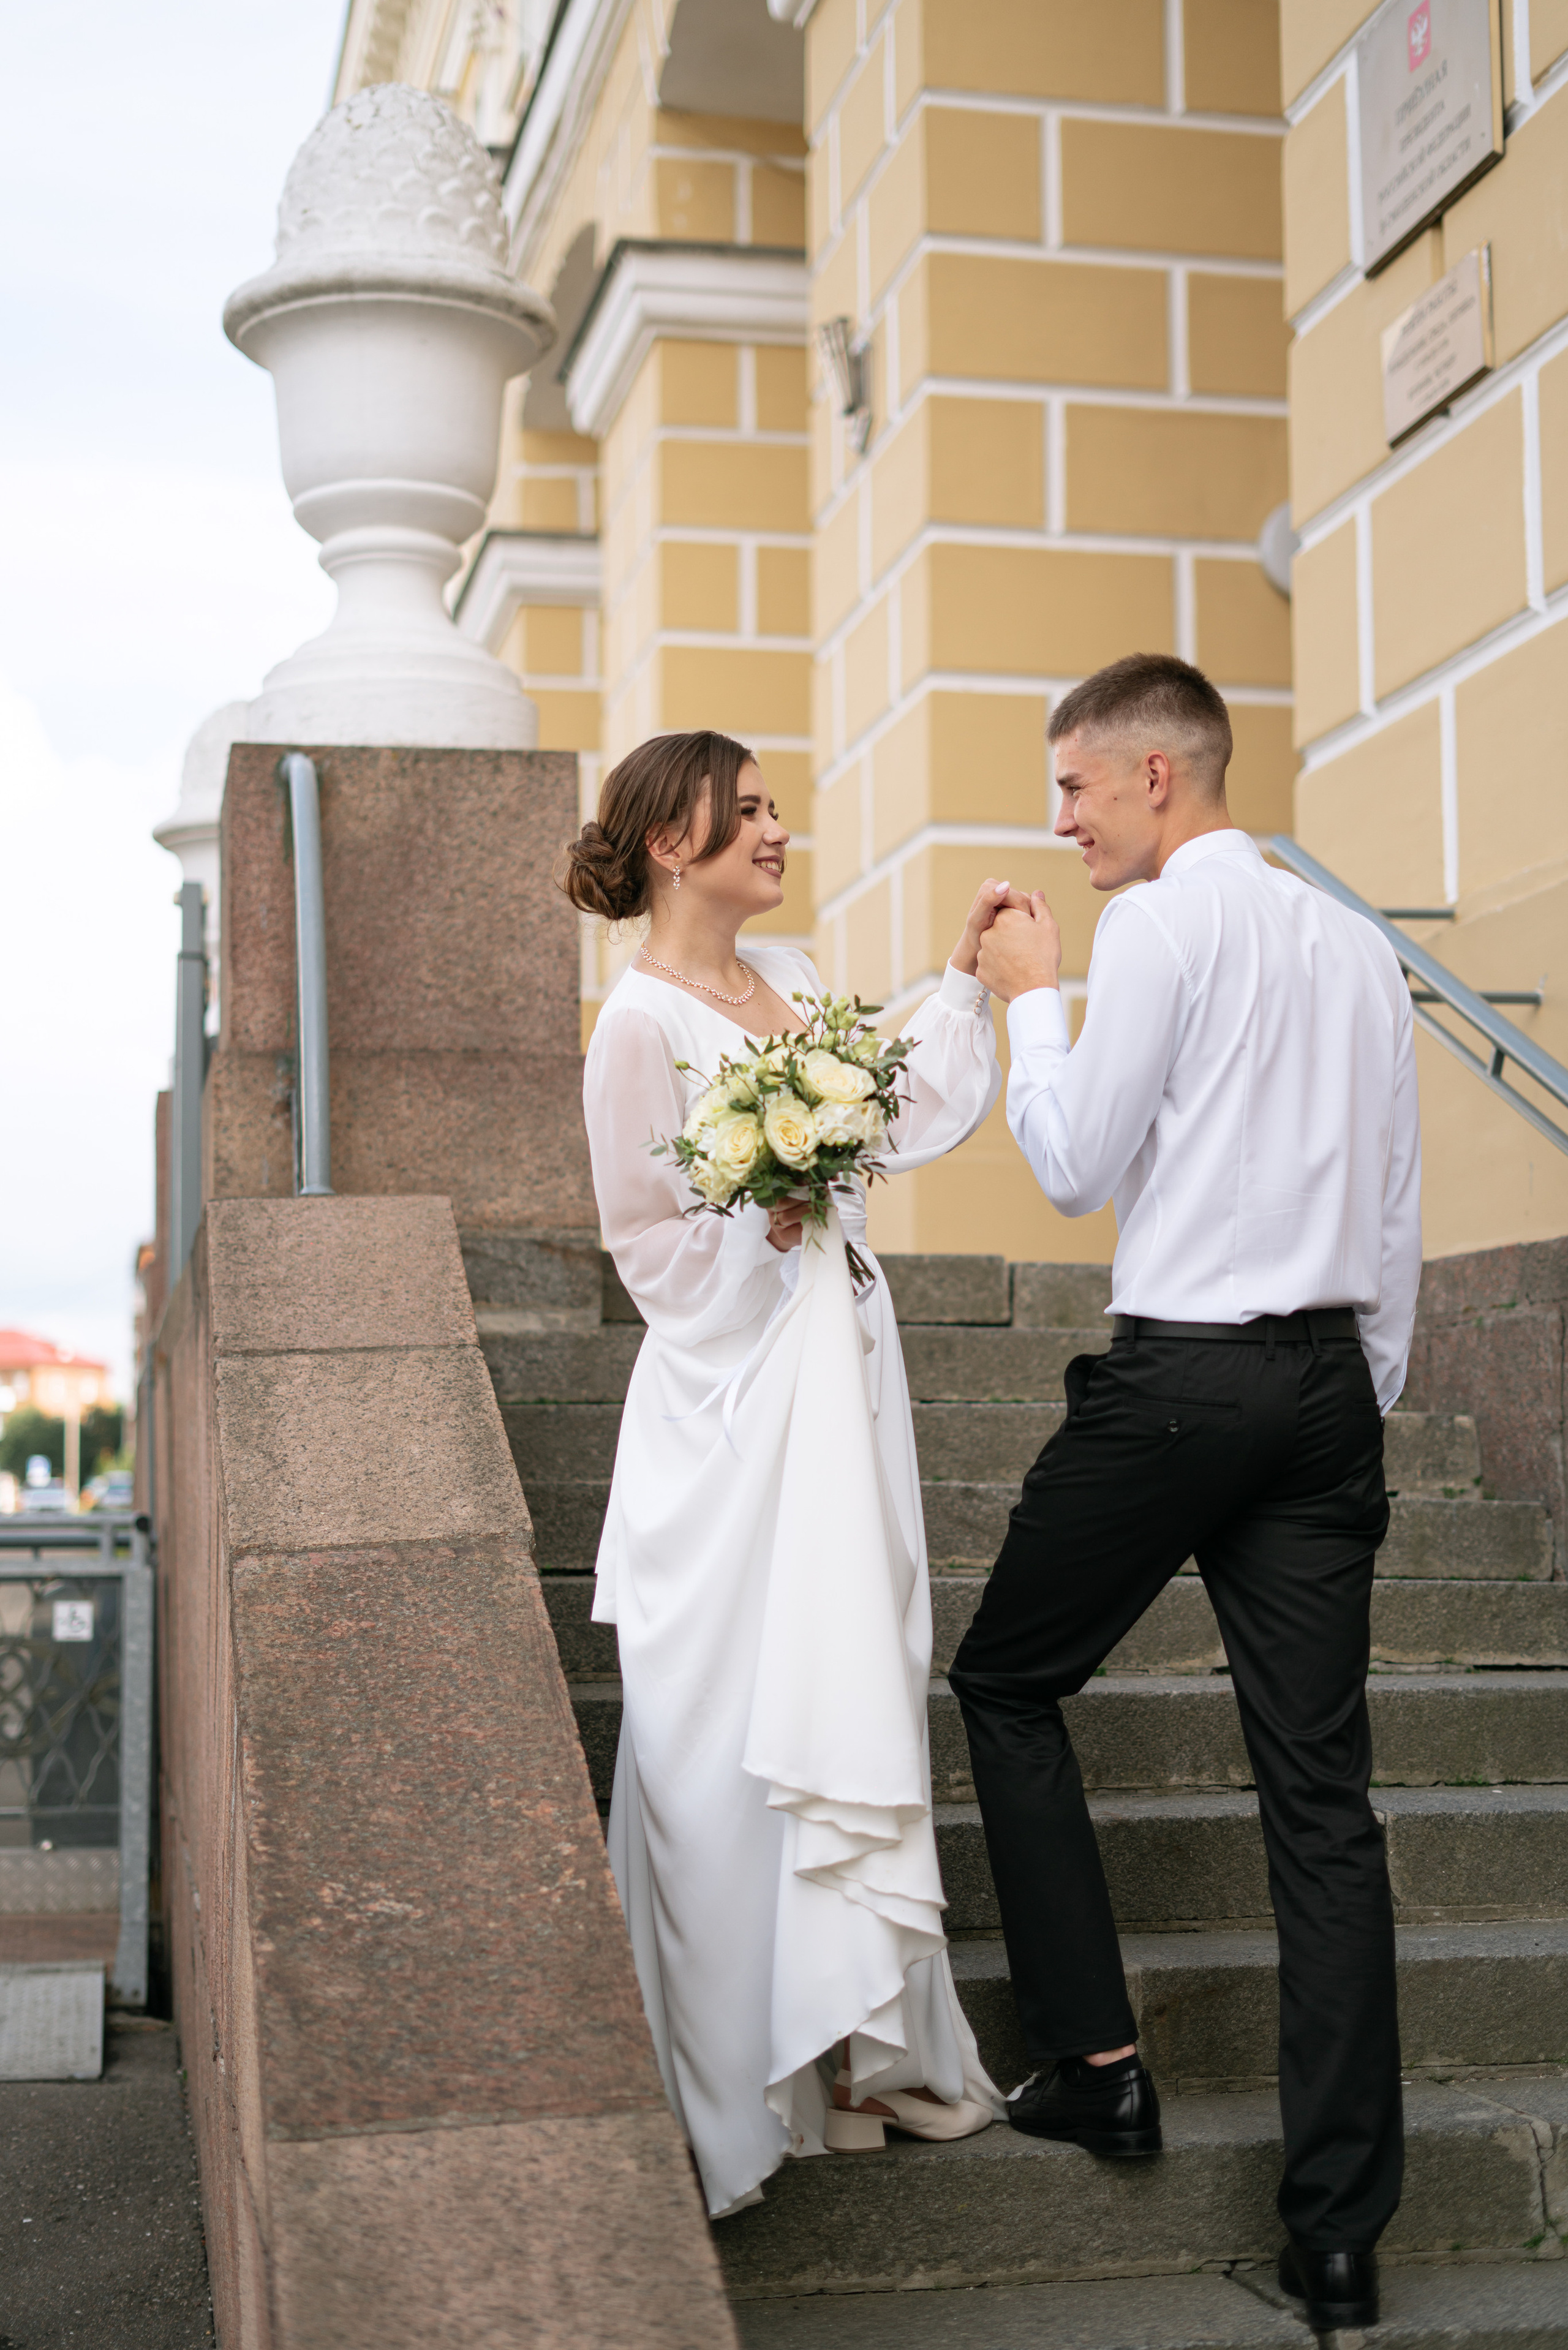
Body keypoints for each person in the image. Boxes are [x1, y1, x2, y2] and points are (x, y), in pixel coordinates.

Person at [952, 653, 1421, 2335]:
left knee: (1003, 1677)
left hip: (1182, 1381)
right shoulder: (1359, 945)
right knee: (1325, 1807)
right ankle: (1342, 2238)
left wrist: (1029, 990)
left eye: (1076, 787)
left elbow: (1075, 1160)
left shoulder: (1155, 924)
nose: (1059, 818)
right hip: (1320, 1386)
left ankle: (1099, 2065)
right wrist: (1348, 1408)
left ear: (1160, 776)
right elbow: (1393, 1208)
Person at [562, 728, 1013, 2219]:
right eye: (744, 810)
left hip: (843, 1384)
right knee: (721, 1741)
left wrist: (954, 984)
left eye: (770, 806)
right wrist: (754, 1227)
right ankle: (749, 2069)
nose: (776, 827)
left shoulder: (806, 981)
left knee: (852, 1672)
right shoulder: (633, 1023)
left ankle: (858, 2050)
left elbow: (897, 1109)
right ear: (668, 844)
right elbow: (646, 1251)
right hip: (726, 1413)